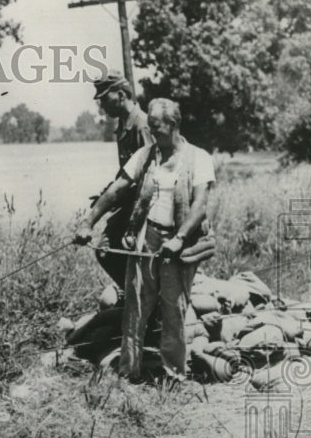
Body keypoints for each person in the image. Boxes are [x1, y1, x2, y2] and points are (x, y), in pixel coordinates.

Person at [74, 98, 215, 381]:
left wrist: (179, 239)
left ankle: (174, 375)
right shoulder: (146, 155)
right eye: (150, 128)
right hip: (145, 240)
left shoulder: (199, 158)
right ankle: (129, 372)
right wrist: (88, 221)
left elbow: (199, 205)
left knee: (174, 310)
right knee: (135, 310)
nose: (153, 134)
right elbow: (117, 189)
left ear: (174, 125)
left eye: (158, 128)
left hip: (179, 245)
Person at [90, 70, 154, 288]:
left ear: (121, 94)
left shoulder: (142, 125)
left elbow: (150, 175)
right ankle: (134, 296)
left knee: (112, 250)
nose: (102, 105)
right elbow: (126, 173)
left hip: (147, 206)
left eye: (105, 98)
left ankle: (142, 300)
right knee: (105, 251)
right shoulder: (123, 127)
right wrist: (105, 195)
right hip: (131, 205)